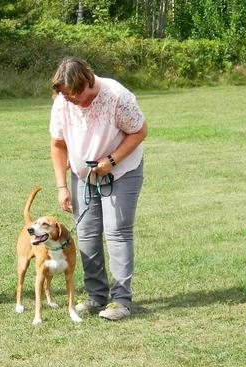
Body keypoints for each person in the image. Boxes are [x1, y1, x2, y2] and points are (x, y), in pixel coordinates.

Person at [48, 57, 147, 321]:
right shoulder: (62, 103)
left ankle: (121, 300)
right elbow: (57, 144)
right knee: (87, 233)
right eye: (66, 97)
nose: (71, 102)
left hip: (122, 172)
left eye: (74, 96)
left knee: (117, 231)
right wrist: (61, 186)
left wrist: (112, 160)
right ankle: (96, 296)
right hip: (84, 176)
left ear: (87, 83)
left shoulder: (116, 95)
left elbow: (139, 131)